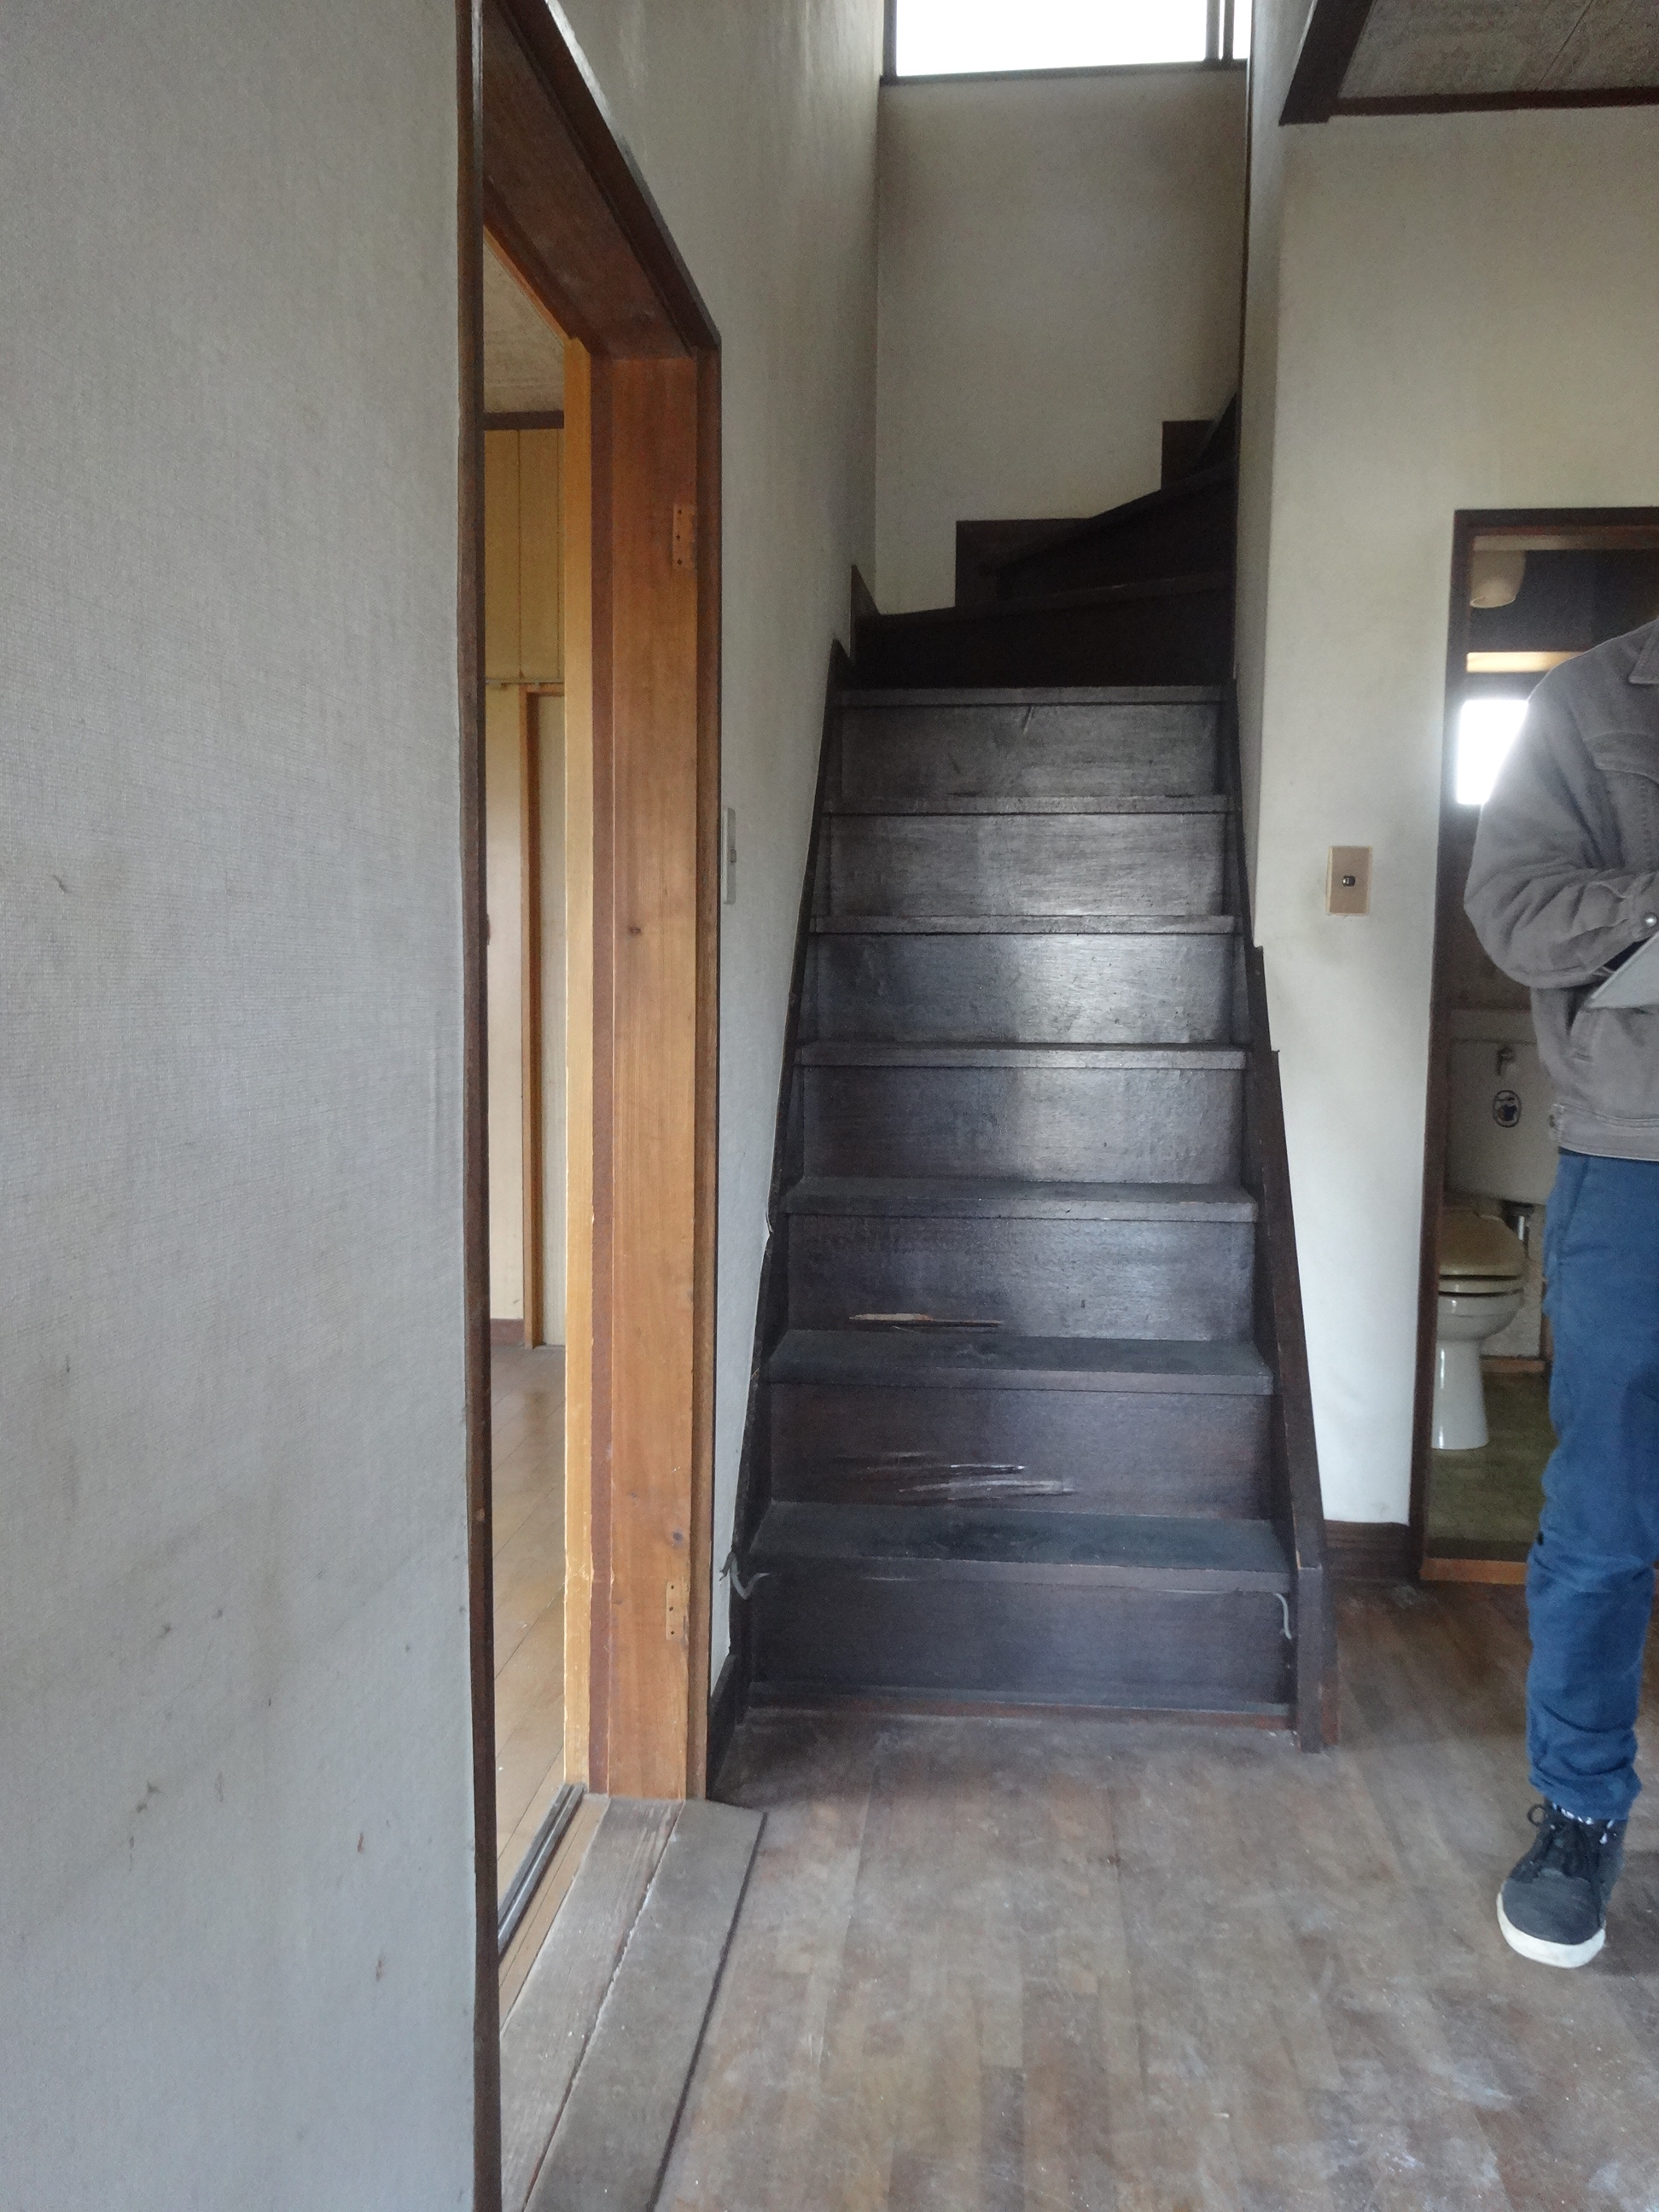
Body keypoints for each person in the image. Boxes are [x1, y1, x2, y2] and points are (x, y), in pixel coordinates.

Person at [1465, 614, 1659, 1968]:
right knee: (1602, 1518)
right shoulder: (1592, 701)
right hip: (1637, 1160)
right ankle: (1582, 1809)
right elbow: (1512, 910)